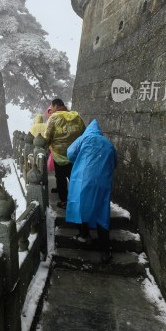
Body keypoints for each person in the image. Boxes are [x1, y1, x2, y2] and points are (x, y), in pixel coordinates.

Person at [65, 119, 117, 262]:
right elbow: (114, 162)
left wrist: (81, 159)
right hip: (102, 182)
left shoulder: (84, 138)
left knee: (80, 205)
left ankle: (84, 235)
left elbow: (69, 154)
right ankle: (105, 251)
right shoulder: (108, 144)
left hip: (83, 180)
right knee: (102, 212)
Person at [43, 98, 85, 208]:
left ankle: (64, 202)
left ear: (56, 106)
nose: (51, 109)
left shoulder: (53, 118)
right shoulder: (76, 117)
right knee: (74, 177)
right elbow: (84, 134)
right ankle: (78, 200)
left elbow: (47, 136)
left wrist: (46, 148)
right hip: (75, 154)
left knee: (60, 178)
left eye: (51, 107)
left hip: (59, 155)